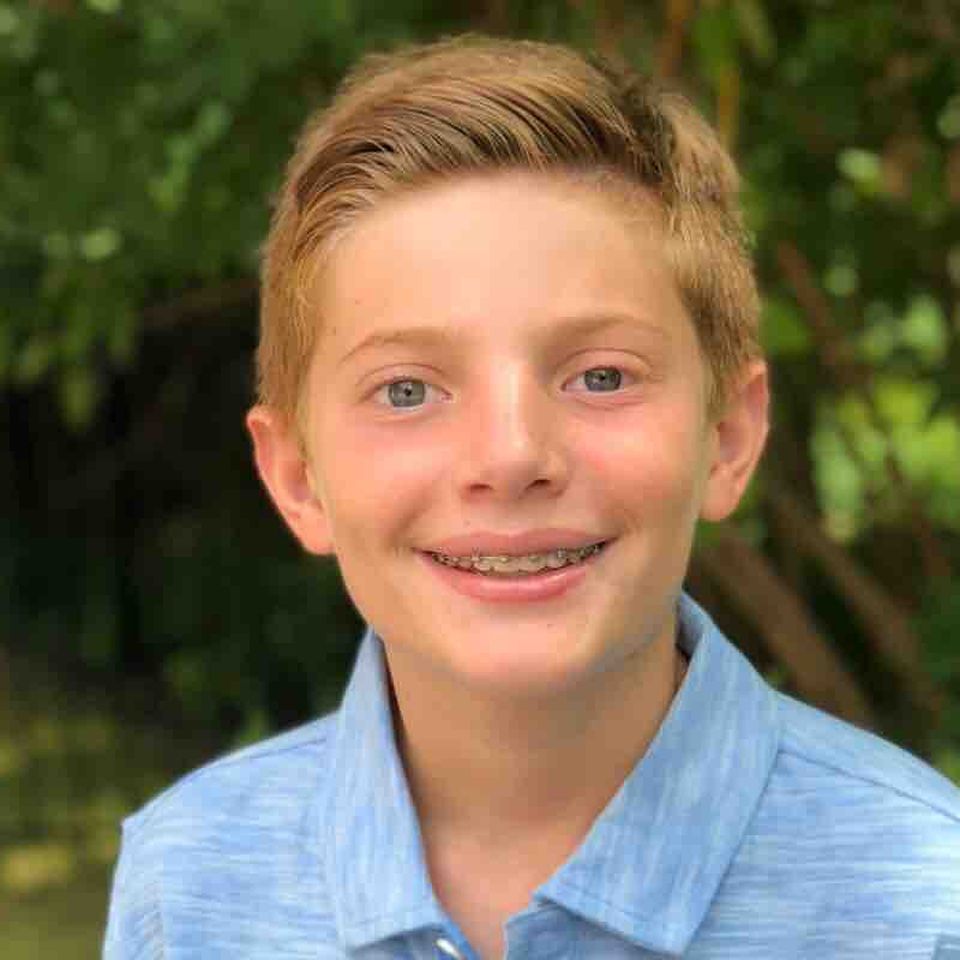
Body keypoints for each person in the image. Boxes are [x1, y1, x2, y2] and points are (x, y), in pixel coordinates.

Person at [103, 34, 960, 960]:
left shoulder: (925, 902)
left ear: (727, 436)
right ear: (297, 477)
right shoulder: (186, 886)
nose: (511, 457)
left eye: (600, 377)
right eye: (406, 390)